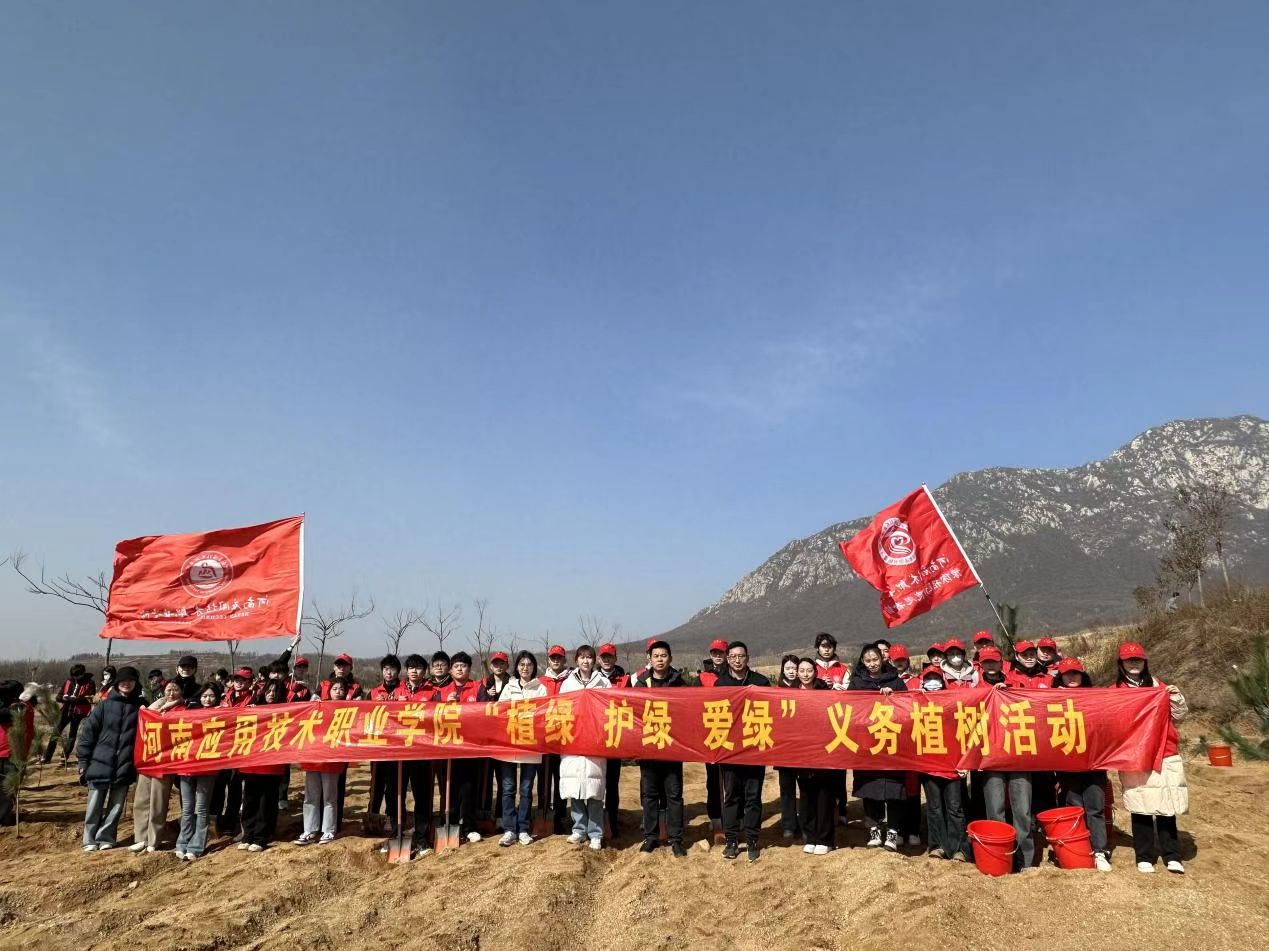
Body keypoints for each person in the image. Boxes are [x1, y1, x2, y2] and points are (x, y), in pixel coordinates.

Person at [1114, 642, 1188, 874]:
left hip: (1163, 750)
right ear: (1121, 663)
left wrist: (1175, 697)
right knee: (1140, 804)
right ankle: (1144, 855)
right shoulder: (1114, 690)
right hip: (1134, 754)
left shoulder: (1158, 685)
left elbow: (1178, 716)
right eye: (1129, 660)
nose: (1134, 663)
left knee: (1167, 803)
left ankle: (1172, 855)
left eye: (1138, 659)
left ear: (1144, 661)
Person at [629, 640, 688, 856]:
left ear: (670, 658)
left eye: (664, 656)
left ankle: (676, 838)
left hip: (672, 749)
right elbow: (633, 715)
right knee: (650, 794)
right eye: (656, 656)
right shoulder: (641, 685)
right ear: (649, 659)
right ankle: (651, 837)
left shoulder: (680, 684)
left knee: (674, 795)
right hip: (649, 750)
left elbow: (688, 712)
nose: (660, 659)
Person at [76, 665, 145, 851]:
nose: (126, 684)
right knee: (94, 804)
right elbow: (88, 734)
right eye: (123, 681)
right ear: (116, 683)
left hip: (125, 763)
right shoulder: (104, 706)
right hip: (99, 762)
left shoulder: (140, 707)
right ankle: (89, 839)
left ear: (136, 683)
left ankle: (106, 837)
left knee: (116, 805)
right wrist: (83, 760)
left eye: (131, 680)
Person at [1052, 657, 1111, 871]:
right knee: (1074, 808)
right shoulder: (1051, 699)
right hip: (1067, 764)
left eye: (1075, 673)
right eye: (1067, 674)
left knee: (1095, 808)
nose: (1072, 677)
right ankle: (1079, 847)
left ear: (1082, 675)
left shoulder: (1095, 697)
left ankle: (1100, 850)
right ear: (1061, 677)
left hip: (1094, 763)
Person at [848, 644, 908, 850]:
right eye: (868, 660)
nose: (872, 664)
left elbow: (909, 708)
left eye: (875, 659)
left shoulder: (896, 681)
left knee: (894, 788)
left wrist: (894, 697)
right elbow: (848, 709)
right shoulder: (857, 683)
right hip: (867, 745)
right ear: (862, 662)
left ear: (882, 659)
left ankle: (893, 832)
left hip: (892, 745)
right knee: (869, 787)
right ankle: (874, 829)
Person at [715, 641, 770, 862]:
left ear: (748, 658)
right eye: (733, 657)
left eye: (741, 656)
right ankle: (731, 840)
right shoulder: (720, 684)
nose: (737, 660)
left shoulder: (761, 682)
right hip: (730, 750)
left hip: (755, 748)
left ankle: (753, 839)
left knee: (753, 796)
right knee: (731, 796)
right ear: (728, 659)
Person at [558, 646, 611, 851]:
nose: (586, 661)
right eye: (582, 657)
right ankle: (579, 829)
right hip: (573, 739)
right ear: (576, 660)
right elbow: (561, 709)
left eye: (589, 657)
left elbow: (610, 710)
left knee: (594, 788)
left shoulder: (603, 682)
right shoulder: (567, 683)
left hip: (595, 740)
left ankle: (596, 833)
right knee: (576, 787)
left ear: (594, 660)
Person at [496, 651, 548, 846]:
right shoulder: (509, 687)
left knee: (526, 789)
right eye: (522, 664)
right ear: (517, 667)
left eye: (529, 664)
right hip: (509, 743)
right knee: (508, 788)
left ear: (534, 667)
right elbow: (499, 711)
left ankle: (524, 828)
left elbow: (544, 714)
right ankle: (509, 829)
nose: (525, 668)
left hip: (530, 744)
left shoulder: (540, 688)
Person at [916, 667, 967, 860]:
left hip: (952, 764)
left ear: (943, 681)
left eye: (936, 678)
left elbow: (965, 730)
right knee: (934, 807)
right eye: (928, 678)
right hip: (928, 765)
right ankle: (937, 846)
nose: (932, 682)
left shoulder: (953, 701)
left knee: (955, 808)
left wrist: (965, 761)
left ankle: (959, 849)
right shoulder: (916, 702)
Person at [391, 654, 439, 858]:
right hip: (399, 752)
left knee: (422, 796)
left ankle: (421, 837)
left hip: (422, 752)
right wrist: (395, 704)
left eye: (418, 668)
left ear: (424, 671)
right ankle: (396, 834)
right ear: (406, 670)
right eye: (411, 667)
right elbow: (386, 718)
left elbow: (438, 718)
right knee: (396, 795)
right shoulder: (397, 692)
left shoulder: (433, 692)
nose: (414, 671)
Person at [130, 681, 184, 852]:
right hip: (149, 758)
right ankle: (140, 837)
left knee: (158, 801)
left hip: (166, 762)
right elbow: (146, 714)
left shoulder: (182, 709)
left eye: (176, 690)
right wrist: (163, 704)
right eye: (169, 689)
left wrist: (175, 704)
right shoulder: (158, 706)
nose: (172, 693)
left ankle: (153, 839)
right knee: (142, 799)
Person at [295, 677, 349, 847]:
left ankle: (329, 830)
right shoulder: (317, 706)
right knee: (311, 796)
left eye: (341, 689)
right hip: (313, 758)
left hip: (332, 760)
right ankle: (309, 830)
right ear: (328, 690)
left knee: (329, 797)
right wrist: (312, 704)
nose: (338, 692)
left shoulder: (347, 709)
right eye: (335, 689)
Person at [436, 651, 482, 843]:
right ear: (450, 669)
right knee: (448, 787)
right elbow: (433, 716)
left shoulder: (478, 688)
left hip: (470, 746)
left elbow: (484, 713)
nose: (460, 669)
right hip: (447, 747)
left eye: (464, 666)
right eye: (456, 666)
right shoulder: (442, 691)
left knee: (468, 788)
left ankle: (469, 826)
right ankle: (449, 822)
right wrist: (446, 706)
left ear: (469, 669)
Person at [237, 681, 286, 852]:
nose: (271, 694)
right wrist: (249, 712)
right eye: (268, 691)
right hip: (252, 762)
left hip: (272, 764)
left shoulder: (286, 711)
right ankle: (247, 834)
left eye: (275, 691)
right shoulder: (254, 708)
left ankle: (261, 837)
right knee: (249, 800)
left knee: (267, 802)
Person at [173, 682, 221, 860]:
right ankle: (182, 843)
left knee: (201, 809)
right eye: (204, 696)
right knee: (187, 809)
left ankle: (196, 846)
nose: (207, 699)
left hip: (207, 768)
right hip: (186, 767)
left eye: (211, 696)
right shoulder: (189, 712)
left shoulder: (222, 714)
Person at [792, 659, 833, 854]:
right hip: (801, 752)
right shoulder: (789, 694)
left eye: (809, 670)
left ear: (815, 672)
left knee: (823, 795)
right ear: (797, 673)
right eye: (802, 670)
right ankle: (810, 836)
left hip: (823, 750)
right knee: (806, 795)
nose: (805, 674)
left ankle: (825, 838)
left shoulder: (825, 692)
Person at [697, 638, 729, 839]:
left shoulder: (733, 674)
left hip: (731, 731)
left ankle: (734, 816)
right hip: (711, 732)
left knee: (732, 778)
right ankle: (715, 817)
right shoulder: (702, 677)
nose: (717, 656)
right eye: (714, 653)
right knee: (713, 778)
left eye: (721, 652)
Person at [368, 654, 404, 829]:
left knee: (394, 785)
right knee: (376, 783)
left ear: (398, 671)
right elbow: (364, 716)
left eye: (392, 669)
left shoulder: (404, 691)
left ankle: (392, 816)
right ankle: (372, 816)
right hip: (377, 745)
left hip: (397, 745)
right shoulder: (374, 692)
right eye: (386, 669)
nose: (389, 673)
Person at [538, 645, 570, 832]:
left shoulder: (570, 680)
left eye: (559, 657)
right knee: (543, 778)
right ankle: (542, 811)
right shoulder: (540, 682)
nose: (556, 660)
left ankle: (560, 815)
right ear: (548, 660)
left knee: (561, 778)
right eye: (553, 658)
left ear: (564, 660)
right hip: (543, 738)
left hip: (564, 737)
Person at [596, 642, 627, 832]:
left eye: (610, 656)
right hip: (596, 735)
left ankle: (612, 821)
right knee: (596, 779)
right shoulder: (592, 678)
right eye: (603, 656)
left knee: (612, 781)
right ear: (599, 659)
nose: (606, 659)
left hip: (615, 736)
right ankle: (596, 819)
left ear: (615, 658)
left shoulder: (625, 680)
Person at [775, 654, 803, 842]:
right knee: (786, 789)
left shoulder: (806, 690)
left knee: (806, 788)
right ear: (782, 670)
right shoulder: (775, 692)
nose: (792, 672)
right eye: (788, 668)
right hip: (784, 750)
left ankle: (806, 823)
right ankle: (788, 825)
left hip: (803, 748)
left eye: (794, 668)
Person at [43, 663, 95, 766]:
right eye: (73, 676)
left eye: (77, 676)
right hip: (66, 710)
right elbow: (58, 696)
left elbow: (92, 698)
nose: (75, 678)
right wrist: (64, 698)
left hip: (79, 712)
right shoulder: (68, 682)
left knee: (72, 734)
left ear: (83, 674)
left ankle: (64, 756)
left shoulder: (90, 683)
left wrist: (78, 699)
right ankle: (47, 756)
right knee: (56, 732)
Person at [0, 680, 36, 826]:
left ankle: (3, 817)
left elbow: (5, 715)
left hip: (13, 753)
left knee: (7, 788)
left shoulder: (21, 708)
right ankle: (4, 816)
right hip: (7, 753)